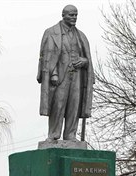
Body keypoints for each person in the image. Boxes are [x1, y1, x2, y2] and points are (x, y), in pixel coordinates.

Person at [37, 4, 94, 142]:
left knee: (74, 105)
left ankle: (70, 135)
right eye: (71, 15)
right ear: (63, 15)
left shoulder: (81, 36)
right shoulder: (51, 32)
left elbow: (88, 59)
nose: (74, 17)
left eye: (76, 15)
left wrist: (84, 61)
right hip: (59, 76)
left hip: (77, 77)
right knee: (58, 105)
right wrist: (53, 73)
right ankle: (53, 134)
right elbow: (46, 56)